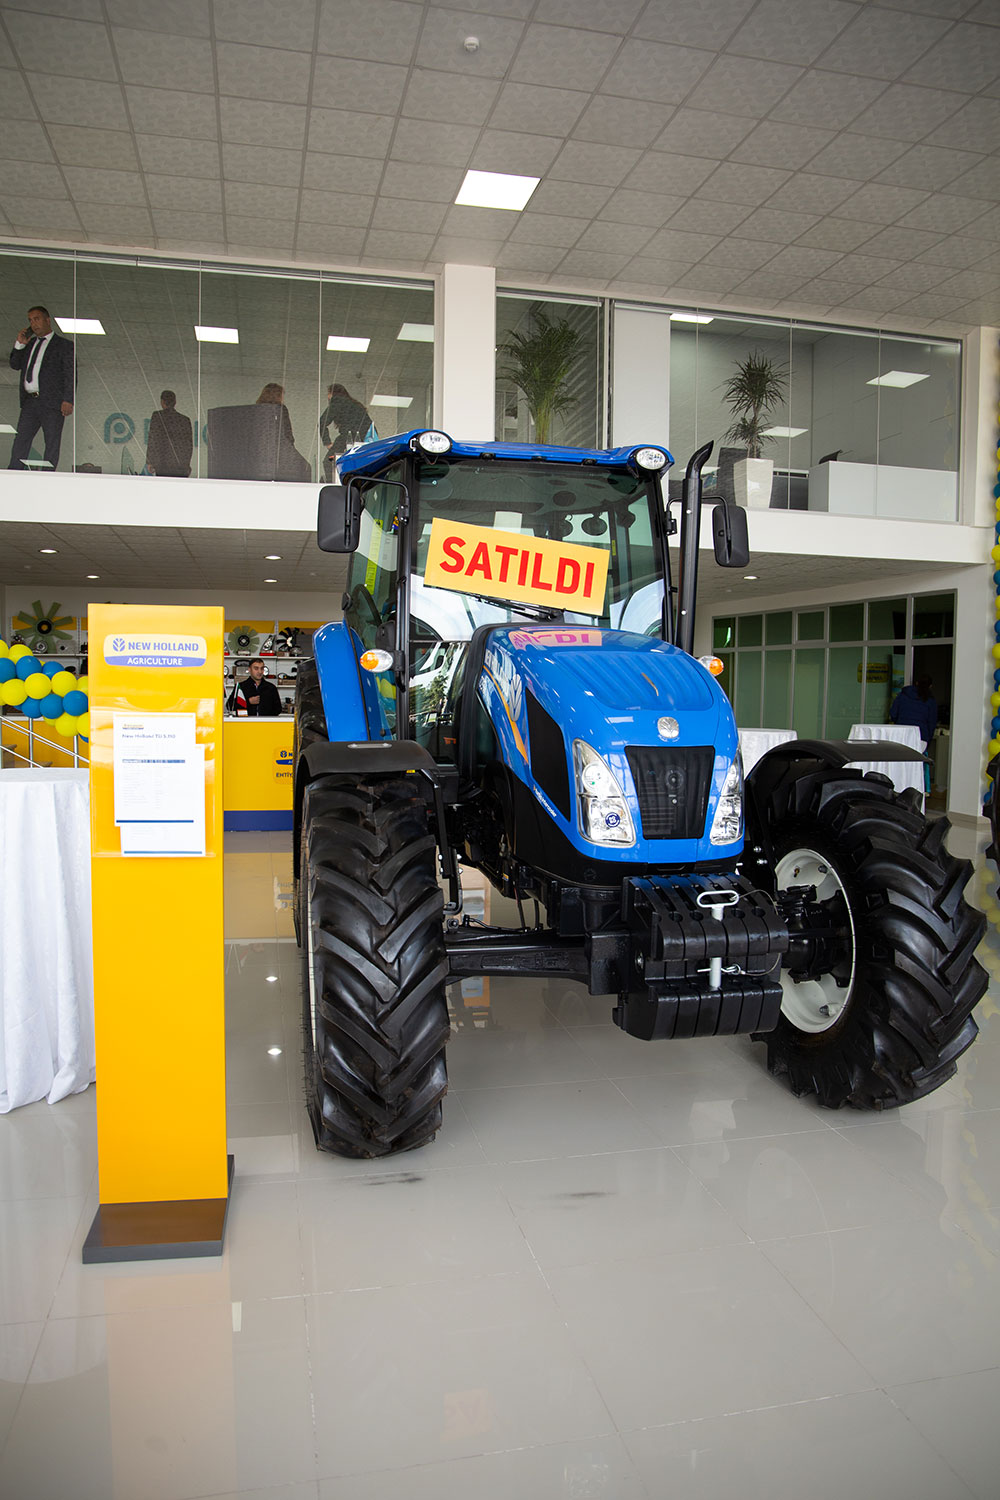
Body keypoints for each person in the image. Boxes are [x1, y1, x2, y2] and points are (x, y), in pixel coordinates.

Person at [8, 305, 75, 471]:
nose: (33, 324)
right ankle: (14, 471)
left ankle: (48, 474)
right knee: (21, 439)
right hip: (30, 401)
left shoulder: (63, 345)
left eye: (37, 319)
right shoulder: (29, 344)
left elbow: (70, 374)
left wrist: (68, 399)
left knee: (51, 440)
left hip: (52, 402)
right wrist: (20, 344)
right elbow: (15, 364)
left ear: (47, 320)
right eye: (30, 321)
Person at [890, 675, 938, 794]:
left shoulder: (902, 696)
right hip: (921, 736)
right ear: (930, 686)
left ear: (915, 683)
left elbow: (893, 714)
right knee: (918, 766)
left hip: (901, 735)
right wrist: (928, 739)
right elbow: (932, 722)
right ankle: (920, 791)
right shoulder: (930, 701)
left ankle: (898, 788)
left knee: (900, 764)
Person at [320, 383, 371, 480]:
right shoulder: (357, 405)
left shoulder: (337, 402)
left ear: (332, 393)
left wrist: (327, 442)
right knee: (356, 464)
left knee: (329, 461)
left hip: (347, 438)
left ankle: (334, 484)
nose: (328, 397)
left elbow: (322, 421)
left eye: (328, 394)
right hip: (363, 440)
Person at [146, 389, 193, 477]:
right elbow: (188, 445)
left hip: (162, 464)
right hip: (180, 466)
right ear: (175, 402)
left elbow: (153, 440)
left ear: (162, 402)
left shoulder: (158, 416)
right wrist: (187, 464)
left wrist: (150, 462)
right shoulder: (185, 420)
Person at [256, 382, 295, 446]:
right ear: (278, 396)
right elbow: (287, 432)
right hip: (276, 447)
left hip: (258, 447)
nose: (283, 399)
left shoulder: (256, 410)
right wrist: (291, 446)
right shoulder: (280, 409)